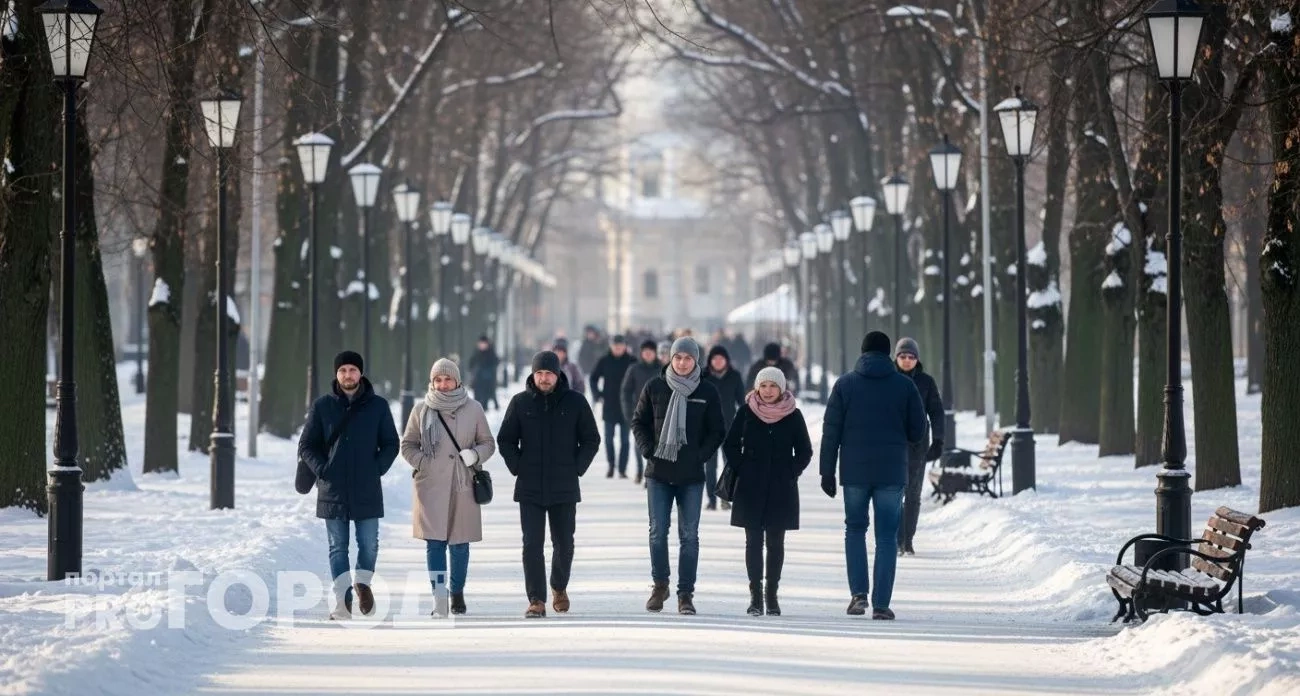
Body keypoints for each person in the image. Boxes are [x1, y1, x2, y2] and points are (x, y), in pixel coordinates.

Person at [819, 330, 926, 621]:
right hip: (892, 471)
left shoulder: (845, 385)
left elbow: (831, 433)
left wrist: (826, 472)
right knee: (888, 536)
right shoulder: (904, 386)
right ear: (888, 353)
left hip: (854, 472)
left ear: (863, 352)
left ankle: (858, 596)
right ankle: (881, 604)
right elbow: (918, 431)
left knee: (855, 529)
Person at [497, 351, 601, 618]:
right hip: (530, 486)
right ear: (533, 375)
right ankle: (536, 599)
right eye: (539, 373)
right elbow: (506, 439)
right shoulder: (520, 403)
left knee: (564, 543)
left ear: (558, 375)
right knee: (532, 544)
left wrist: (577, 467)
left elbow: (591, 438)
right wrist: (518, 466)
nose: (544, 378)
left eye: (549, 373)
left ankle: (559, 586)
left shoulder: (575, 402)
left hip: (564, 486)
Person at [298, 350, 400, 620]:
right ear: (336, 374)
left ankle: (363, 583)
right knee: (337, 547)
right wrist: (323, 470)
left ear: (361, 373)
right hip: (333, 489)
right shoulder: (322, 406)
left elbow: (391, 443)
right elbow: (306, 445)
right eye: (342, 370)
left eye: (352, 370)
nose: (347, 375)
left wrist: (376, 468)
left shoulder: (378, 406)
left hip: (366, 487)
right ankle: (342, 601)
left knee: (369, 545)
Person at [631, 336, 727, 615]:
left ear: (696, 361)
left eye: (688, 358)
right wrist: (649, 449)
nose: (683, 363)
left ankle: (685, 593)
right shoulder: (655, 387)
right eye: (678, 357)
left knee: (689, 535)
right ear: (670, 359)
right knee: (658, 532)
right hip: (659, 473)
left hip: (691, 476)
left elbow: (717, 430)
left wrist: (700, 455)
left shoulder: (706, 391)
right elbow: (639, 421)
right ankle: (660, 585)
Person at [400, 358, 496, 616]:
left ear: (457, 381)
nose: (443, 384)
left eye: (448, 379)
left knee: (460, 543)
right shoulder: (421, 410)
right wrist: (423, 463)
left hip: (462, 483)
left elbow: (488, 442)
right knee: (434, 543)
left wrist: (474, 455)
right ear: (432, 382)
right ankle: (439, 596)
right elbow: (407, 445)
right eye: (438, 380)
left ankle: (457, 592)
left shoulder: (473, 408)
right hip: (431, 486)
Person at [723, 367, 811, 616]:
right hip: (750, 486)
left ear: (781, 388)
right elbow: (730, 444)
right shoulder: (746, 412)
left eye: (773, 386)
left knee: (775, 542)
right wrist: (742, 467)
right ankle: (755, 596)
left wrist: (791, 471)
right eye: (763, 386)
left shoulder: (793, 415)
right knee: (753, 542)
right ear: (756, 388)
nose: (768, 391)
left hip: (781, 487)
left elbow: (805, 451)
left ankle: (771, 595)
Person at [893, 338, 945, 556]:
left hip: (917, 445)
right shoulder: (888, 380)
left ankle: (908, 540)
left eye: (911, 357)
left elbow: (936, 411)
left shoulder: (926, 382)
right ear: (896, 358)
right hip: (892, 445)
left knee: (913, 494)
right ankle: (897, 539)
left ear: (917, 359)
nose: (906, 361)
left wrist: (939, 440)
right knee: (895, 493)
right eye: (902, 356)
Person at [701, 344, 745, 510]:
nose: (718, 362)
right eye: (715, 359)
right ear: (710, 361)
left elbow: (741, 402)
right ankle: (711, 500)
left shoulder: (734, 376)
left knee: (729, 465)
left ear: (726, 360)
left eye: (721, 359)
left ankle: (725, 497)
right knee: (710, 466)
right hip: (708, 429)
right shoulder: (703, 377)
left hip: (729, 427)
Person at [589, 335, 637, 478]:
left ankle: (622, 469)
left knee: (625, 440)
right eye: (615, 346)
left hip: (627, 406)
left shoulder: (632, 361)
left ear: (625, 346)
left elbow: (640, 380)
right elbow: (593, 378)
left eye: (620, 346)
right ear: (611, 346)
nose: (618, 348)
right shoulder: (604, 361)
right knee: (608, 439)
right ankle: (611, 466)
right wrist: (598, 395)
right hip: (609, 404)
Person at [621, 339, 663, 485]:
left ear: (655, 353)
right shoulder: (634, 369)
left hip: (658, 413)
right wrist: (628, 413)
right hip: (639, 413)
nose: (648, 355)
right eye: (645, 352)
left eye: (651, 352)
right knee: (639, 444)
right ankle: (640, 470)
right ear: (641, 353)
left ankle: (650, 473)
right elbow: (626, 392)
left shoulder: (662, 369)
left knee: (656, 445)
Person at [467, 336, 500, 411]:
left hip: (488, 380)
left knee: (486, 398)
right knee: (477, 397)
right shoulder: (476, 353)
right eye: (480, 343)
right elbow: (471, 364)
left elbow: (495, 362)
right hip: (477, 380)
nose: (482, 345)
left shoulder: (491, 352)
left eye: (483, 343)